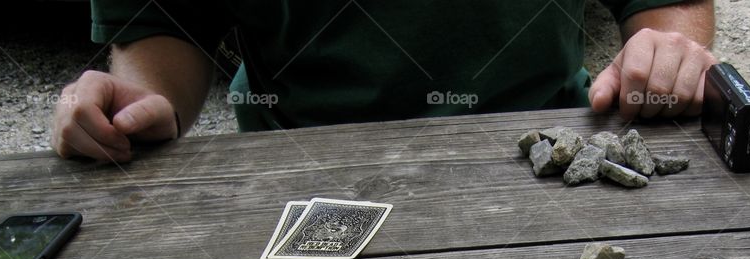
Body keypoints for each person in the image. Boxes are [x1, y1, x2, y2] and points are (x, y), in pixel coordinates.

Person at [52, 0, 715, 163]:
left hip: (545, 145)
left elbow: (667, 5)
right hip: (298, 162)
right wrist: (142, 96)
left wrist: (667, 49)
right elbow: (170, 23)